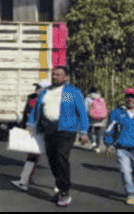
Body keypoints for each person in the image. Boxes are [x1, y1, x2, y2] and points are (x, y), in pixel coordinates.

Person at [27, 66, 89, 207]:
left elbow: (82, 113)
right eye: (54, 74)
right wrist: (30, 123)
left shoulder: (73, 92)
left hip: (66, 131)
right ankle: (60, 187)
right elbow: (36, 110)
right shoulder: (45, 92)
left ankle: (65, 192)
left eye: (59, 75)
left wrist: (84, 132)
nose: (55, 77)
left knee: (61, 157)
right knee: (52, 160)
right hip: (49, 131)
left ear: (66, 77)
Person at [104, 87, 134, 205]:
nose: (130, 99)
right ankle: (131, 194)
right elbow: (109, 129)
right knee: (125, 172)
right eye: (128, 96)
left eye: (133, 96)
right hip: (122, 148)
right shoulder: (117, 112)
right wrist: (109, 144)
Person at [11, 79, 51, 191]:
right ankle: (24, 181)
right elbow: (27, 114)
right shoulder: (32, 98)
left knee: (53, 158)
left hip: (47, 133)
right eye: (36, 87)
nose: (36, 89)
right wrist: (24, 127)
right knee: (32, 156)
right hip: (35, 132)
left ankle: (60, 186)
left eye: (39, 87)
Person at [85, 87, 107, 152]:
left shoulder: (87, 99)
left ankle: (93, 142)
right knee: (98, 133)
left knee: (88, 131)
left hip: (91, 118)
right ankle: (97, 147)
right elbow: (104, 108)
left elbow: (86, 109)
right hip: (100, 119)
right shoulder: (101, 99)